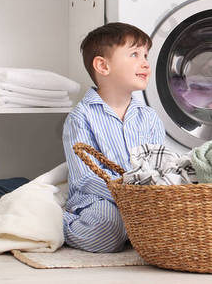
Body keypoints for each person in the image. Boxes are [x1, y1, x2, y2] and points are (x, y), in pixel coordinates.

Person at [62, 22, 164, 252]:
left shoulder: (149, 117)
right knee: (107, 227)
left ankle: (132, 232)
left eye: (146, 54)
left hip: (143, 199)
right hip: (99, 199)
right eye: (135, 54)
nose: (145, 63)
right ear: (103, 66)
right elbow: (85, 178)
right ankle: (59, 222)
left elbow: (159, 165)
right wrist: (124, 193)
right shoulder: (82, 117)